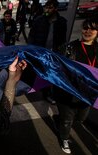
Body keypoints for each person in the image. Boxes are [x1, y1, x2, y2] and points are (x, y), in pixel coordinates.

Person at [55, 17, 98, 154]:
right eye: (85, 27)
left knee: (80, 118)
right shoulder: (69, 47)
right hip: (69, 92)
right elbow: (57, 66)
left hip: (87, 93)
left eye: (92, 28)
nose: (88, 31)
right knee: (67, 120)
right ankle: (64, 138)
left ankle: (61, 121)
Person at [28, 0, 67, 104]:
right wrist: (31, 49)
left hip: (53, 53)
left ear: (55, 9)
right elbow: (32, 36)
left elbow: (63, 40)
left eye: (50, 8)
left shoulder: (62, 22)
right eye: (46, 7)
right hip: (40, 52)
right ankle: (33, 86)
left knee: (50, 73)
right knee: (37, 70)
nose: (47, 10)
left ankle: (47, 93)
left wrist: (60, 52)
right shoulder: (39, 20)